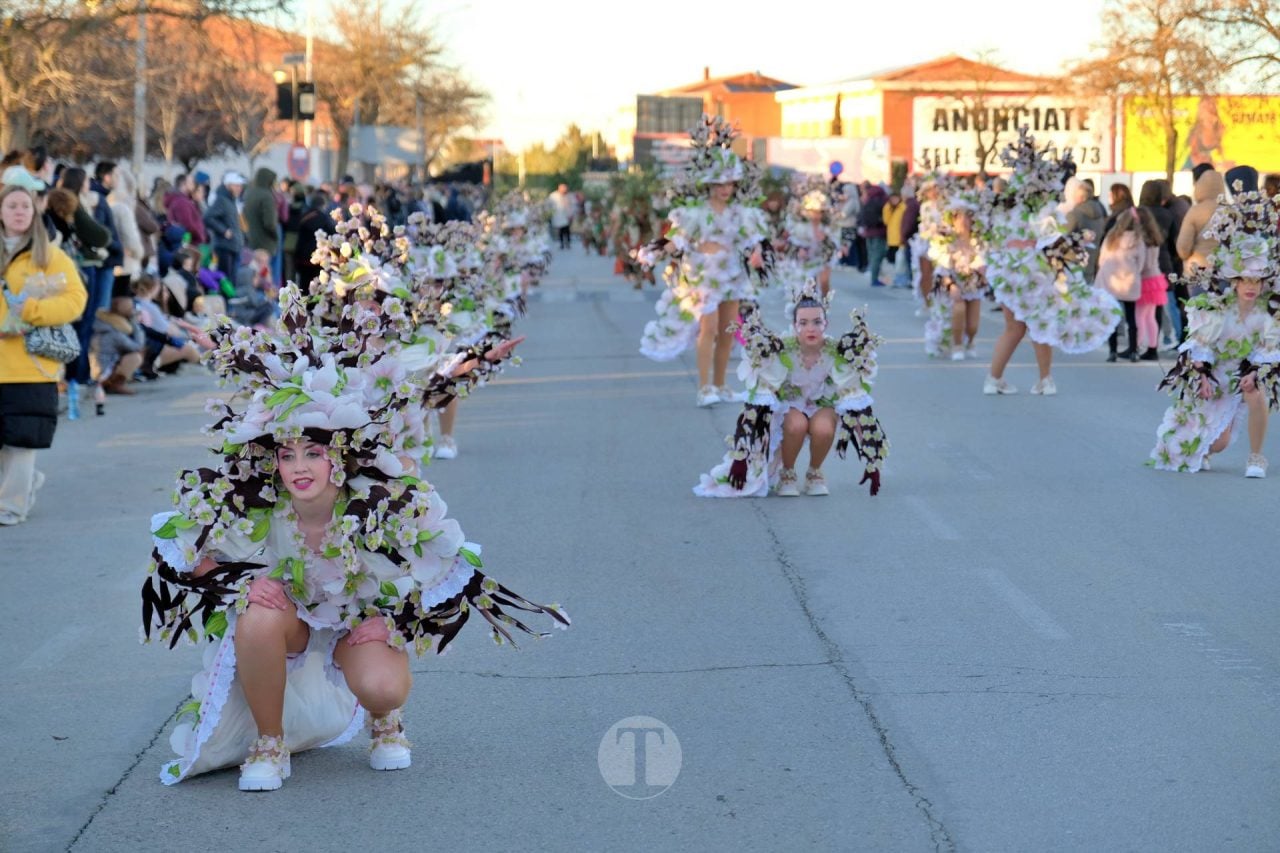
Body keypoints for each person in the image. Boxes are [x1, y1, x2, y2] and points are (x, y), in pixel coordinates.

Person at [141, 204, 568, 792]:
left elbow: (417, 396)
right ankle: (270, 743)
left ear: (340, 457)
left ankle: (386, 718)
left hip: (356, 613)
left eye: (312, 454)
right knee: (257, 616)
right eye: (286, 454)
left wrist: (390, 616)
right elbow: (194, 549)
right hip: (293, 616)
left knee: (382, 680)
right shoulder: (261, 494)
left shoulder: (381, 498)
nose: (297, 467)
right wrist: (243, 585)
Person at [692, 292, 889, 498]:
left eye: (816, 322)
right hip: (791, 408)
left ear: (826, 324)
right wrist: (742, 455)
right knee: (797, 425)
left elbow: (856, 404)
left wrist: (871, 458)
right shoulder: (781, 352)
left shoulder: (837, 353)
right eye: (803, 322)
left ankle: (814, 472)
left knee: (823, 428)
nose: (810, 328)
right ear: (795, 325)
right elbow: (756, 406)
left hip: (822, 406)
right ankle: (788, 473)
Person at [637, 115, 767, 407]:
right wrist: (656, 251)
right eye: (720, 183)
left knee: (728, 332)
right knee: (707, 329)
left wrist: (757, 253)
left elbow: (751, 240)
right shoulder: (694, 212)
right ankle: (704, 387)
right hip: (702, 276)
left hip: (731, 273)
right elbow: (679, 239)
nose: (725, 189)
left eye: (730, 184)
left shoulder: (741, 212)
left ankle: (721, 385)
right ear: (709, 183)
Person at [982, 129, 1122, 396]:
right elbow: (1051, 238)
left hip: (1008, 269)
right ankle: (1045, 380)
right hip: (1034, 269)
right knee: (1038, 323)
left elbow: (996, 238)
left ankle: (994, 379)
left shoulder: (1005, 209)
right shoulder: (1046, 209)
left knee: (1013, 327)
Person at [1150, 189, 1279, 476]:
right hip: (1216, 376)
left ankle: (1256, 458)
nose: (1251, 287)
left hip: (1242, 375)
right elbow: (1200, 344)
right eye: (1244, 280)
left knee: (1256, 391)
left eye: (1257, 282)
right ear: (1233, 282)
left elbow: (1268, 350)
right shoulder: (1216, 309)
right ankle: (1202, 446)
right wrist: (1202, 374)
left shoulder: (1265, 315)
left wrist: (1254, 372)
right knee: (1215, 444)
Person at [0, 185, 89, 525]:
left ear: (34, 212)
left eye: (25, 205)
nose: (19, 211)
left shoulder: (49, 255)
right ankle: (22, 487)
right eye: (11, 205)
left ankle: (11, 505)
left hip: (30, 365)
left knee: (21, 442)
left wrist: (34, 309)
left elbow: (75, 299)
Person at [925, 200, 987, 361]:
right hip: (952, 283)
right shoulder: (945, 240)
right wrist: (951, 285)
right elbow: (941, 267)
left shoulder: (978, 241)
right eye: (960, 218)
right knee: (958, 307)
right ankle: (957, 344)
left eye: (968, 218)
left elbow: (984, 263)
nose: (964, 222)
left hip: (973, 284)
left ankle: (970, 341)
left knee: (973, 325)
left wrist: (983, 274)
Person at [1096, 208, 1147, 362]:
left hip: (1110, 281)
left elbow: (1102, 259)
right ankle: (1133, 351)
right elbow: (1141, 263)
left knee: (1112, 317)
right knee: (1131, 318)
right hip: (1129, 281)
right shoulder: (1138, 240)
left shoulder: (1111, 238)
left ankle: (1112, 351)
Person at [204, 172, 247, 285]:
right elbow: (208, 217)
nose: (240, 189)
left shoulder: (231, 201)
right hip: (225, 247)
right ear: (228, 185)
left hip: (233, 247)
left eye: (240, 186)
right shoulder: (222, 200)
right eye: (237, 186)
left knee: (232, 279)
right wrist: (223, 231)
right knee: (226, 280)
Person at [242, 167, 280, 284]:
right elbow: (269, 223)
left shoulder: (249, 193)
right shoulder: (267, 196)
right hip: (265, 241)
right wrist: (275, 236)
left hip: (251, 239)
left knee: (255, 273)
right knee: (267, 275)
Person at [857, 182, 888, 286]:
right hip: (879, 231)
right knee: (877, 255)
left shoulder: (867, 198)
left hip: (868, 231)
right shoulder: (883, 199)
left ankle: (873, 275)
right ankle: (874, 278)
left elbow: (861, 214)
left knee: (871, 254)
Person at [164, 174, 208, 245]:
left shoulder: (184, 200)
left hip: (189, 242)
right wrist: (199, 236)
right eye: (191, 182)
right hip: (189, 243)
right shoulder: (182, 202)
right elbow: (187, 225)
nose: (194, 184)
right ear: (183, 184)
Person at [548, 183, 574, 249]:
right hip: (558, 216)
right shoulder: (553, 196)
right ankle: (561, 243)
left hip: (566, 215)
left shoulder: (568, 195)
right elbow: (549, 205)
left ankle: (568, 243)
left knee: (566, 230)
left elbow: (571, 206)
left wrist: (571, 214)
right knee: (560, 230)